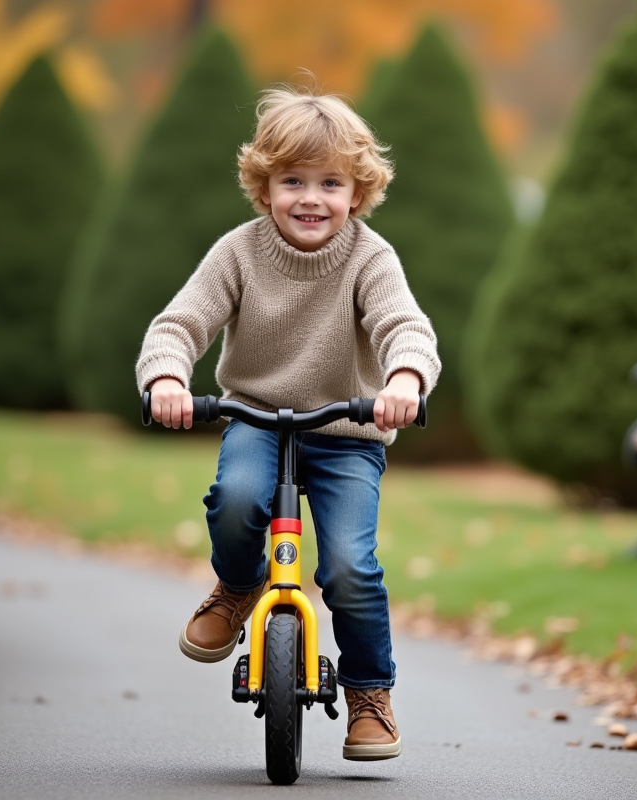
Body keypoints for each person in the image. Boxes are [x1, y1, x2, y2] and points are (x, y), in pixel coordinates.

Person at [136, 86, 440, 762]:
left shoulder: (371, 259)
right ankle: (239, 584)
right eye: (292, 180)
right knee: (239, 498)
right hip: (258, 419)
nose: (311, 197)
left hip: (347, 432)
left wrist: (403, 382)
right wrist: (164, 378)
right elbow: (179, 323)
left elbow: (405, 328)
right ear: (263, 185)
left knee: (349, 567)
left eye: (330, 182)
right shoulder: (239, 253)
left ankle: (368, 693)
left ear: (357, 193)